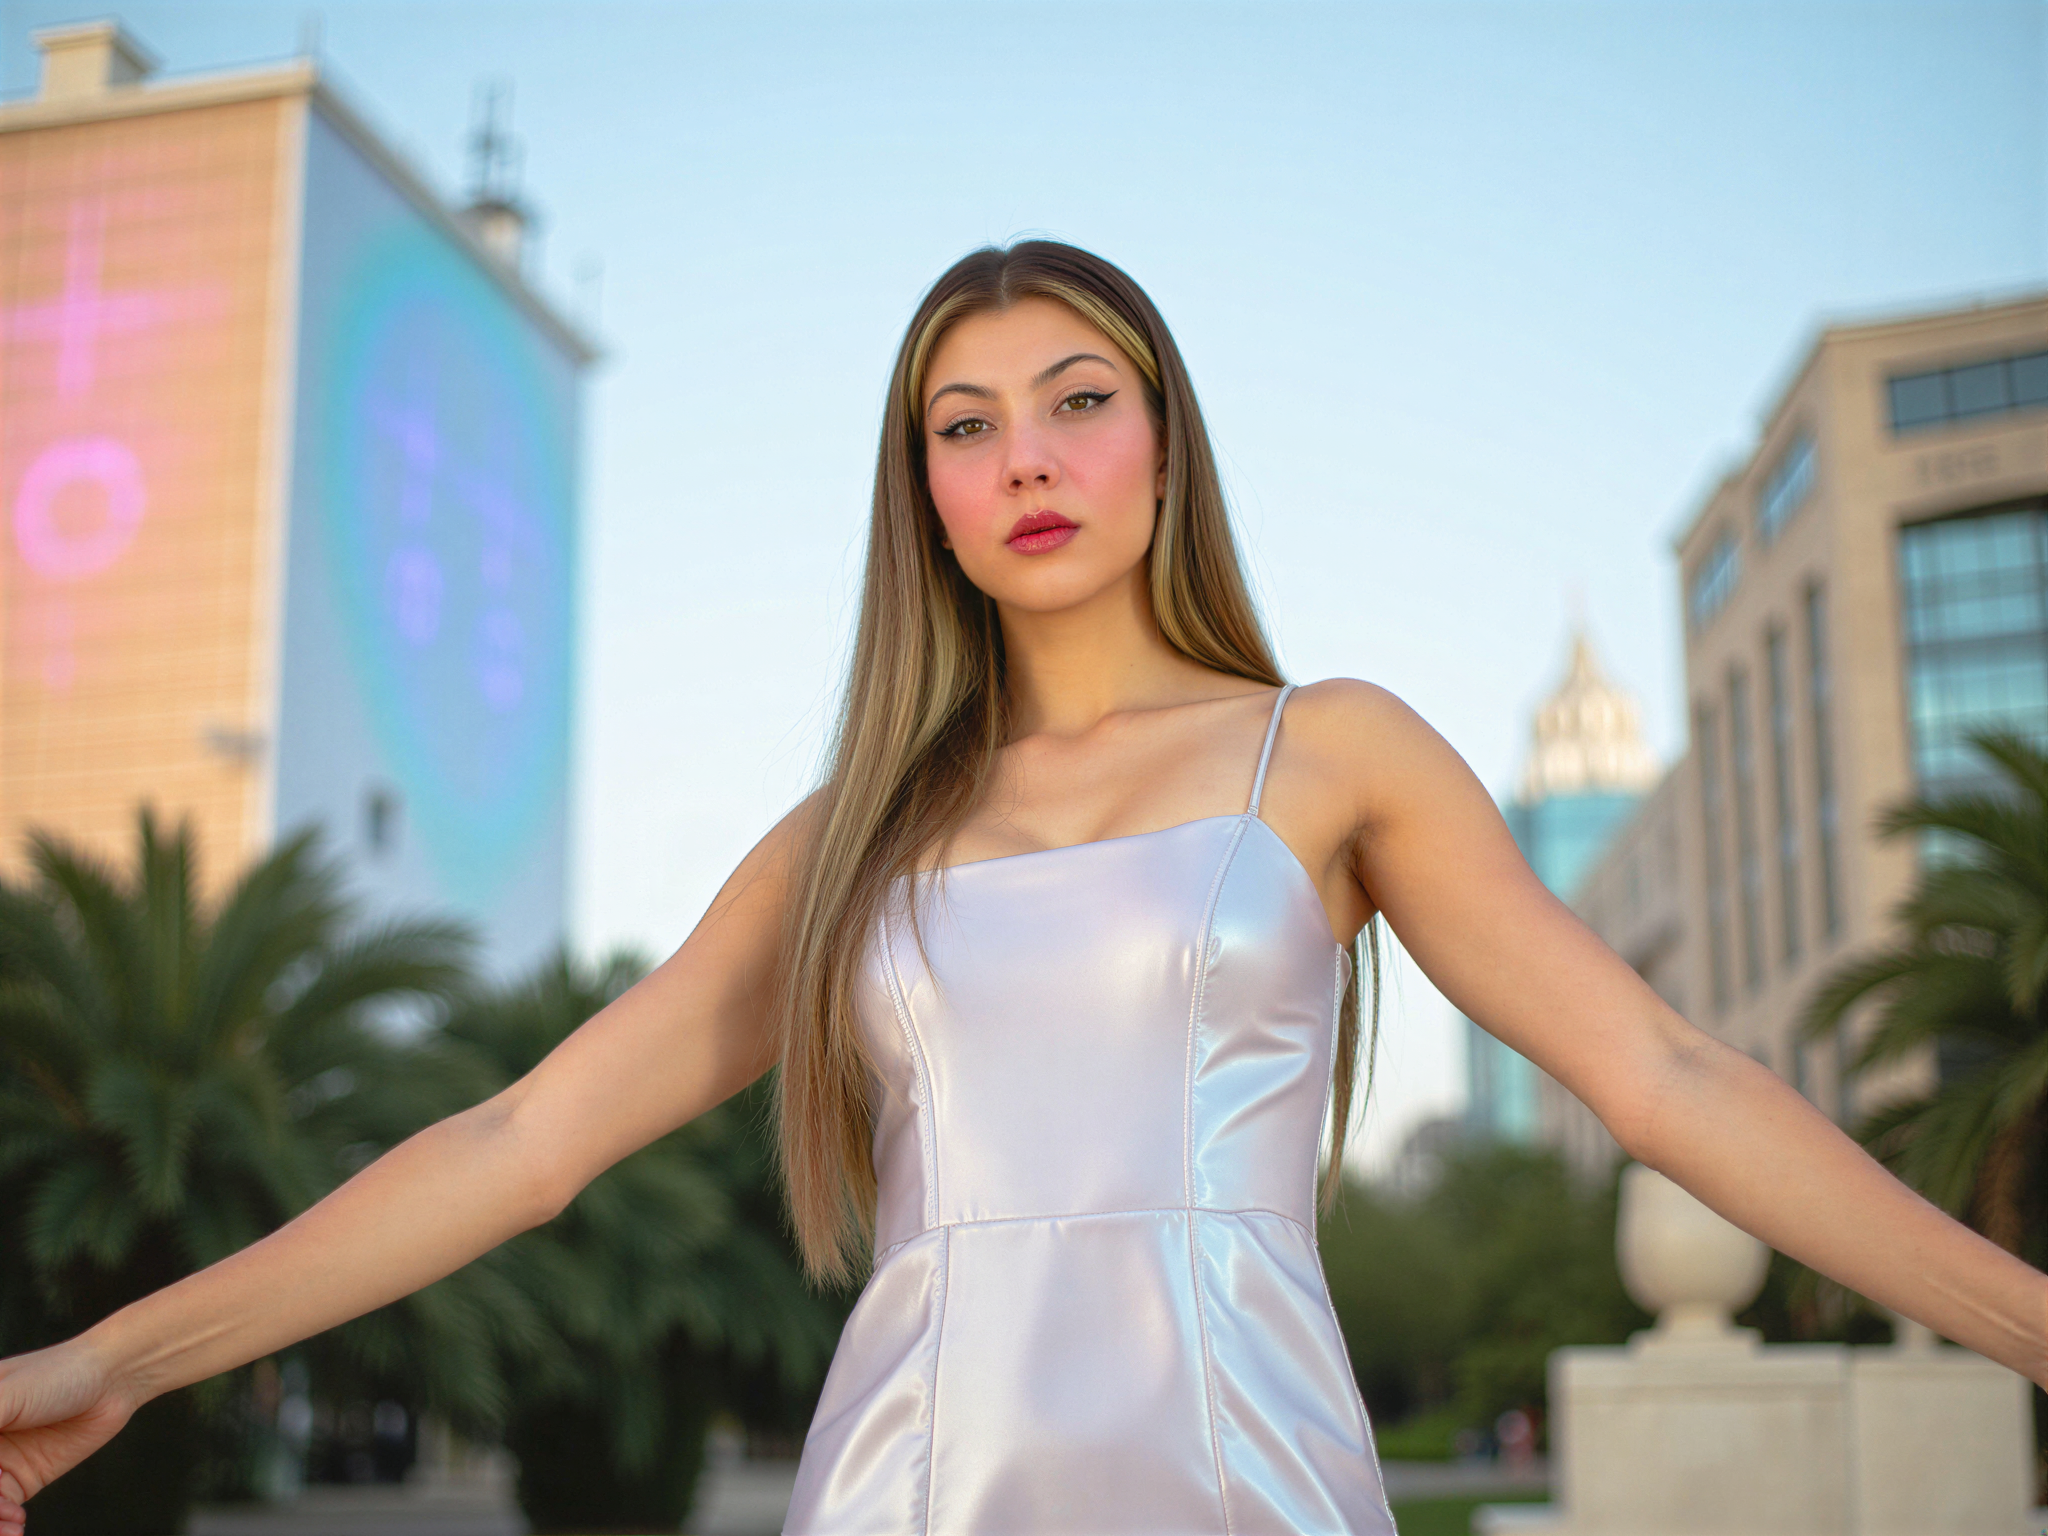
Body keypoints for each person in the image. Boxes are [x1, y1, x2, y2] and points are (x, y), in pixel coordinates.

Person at [0, 240, 2043, 1536]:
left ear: (1161, 436)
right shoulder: (847, 843)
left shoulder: (1328, 753)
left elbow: (1671, 1075)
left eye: (1078, 396)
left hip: (1255, 1482)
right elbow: (528, 1139)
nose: (1027, 455)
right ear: (929, 502)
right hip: (916, 1489)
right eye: (964, 426)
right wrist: (114, 1362)